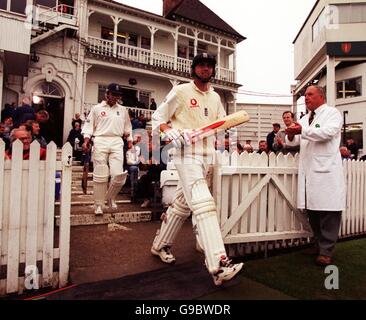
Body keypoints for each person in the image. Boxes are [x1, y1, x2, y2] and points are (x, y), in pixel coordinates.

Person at [150, 53, 243, 286]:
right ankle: (218, 264)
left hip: (208, 156)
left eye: (209, 66)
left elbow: (222, 124)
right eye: (201, 66)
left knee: (182, 203)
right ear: (193, 69)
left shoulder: (215, 97)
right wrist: (167, 131)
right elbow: (158, 117)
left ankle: (160, 245)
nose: (205, 69)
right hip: (185, 154)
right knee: (203, 204)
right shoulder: (181, 91)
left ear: (213, 70)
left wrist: (229, 141)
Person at [286, 85, 345, 266]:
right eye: (305, 95)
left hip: (326, 171)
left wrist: (301, 131)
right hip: (310, 171)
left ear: (321, 96)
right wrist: (290, 135)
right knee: (313, 211)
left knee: (329, 212)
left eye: (310, 94)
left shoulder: (332, 113)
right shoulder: (304, 119)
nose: (306, 97)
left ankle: (327, 251)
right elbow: (295, 140)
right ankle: (318, 245)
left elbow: (326, 133)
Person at [82, 83, 133, 215]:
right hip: (100, 140)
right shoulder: (96, 109)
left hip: (117, 141)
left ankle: (110, 198)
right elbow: (88, 127)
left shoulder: (122, 110)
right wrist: (86, 141)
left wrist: (130, 142)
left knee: (117, 175)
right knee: (101, 174)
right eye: (113, 94)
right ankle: (98, 205)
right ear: (107, 94)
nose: (115, 97)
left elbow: (128, 128)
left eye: (117, 95)